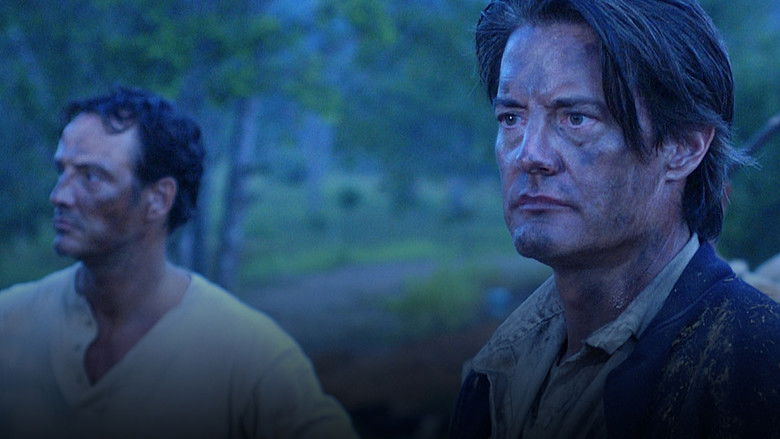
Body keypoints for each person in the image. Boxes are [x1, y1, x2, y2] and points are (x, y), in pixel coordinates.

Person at [450, 1, 780, 438]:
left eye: (576, 118)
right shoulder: (498, 369)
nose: (529, 154)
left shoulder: (756, 366)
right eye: (511, 118)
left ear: (683, 147)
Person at [0, 86, 357, 439]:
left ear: (158, 199)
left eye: (91, 177)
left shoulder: (250, 358)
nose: (60, 195)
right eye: (62, 171)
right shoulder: (9, 323)